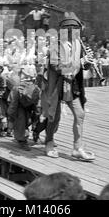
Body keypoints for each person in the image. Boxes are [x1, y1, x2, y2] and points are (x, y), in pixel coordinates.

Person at [41, 12, 95, 161]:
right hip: (57, 86)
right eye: (69, 28)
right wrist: (80, 62)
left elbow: (82, 67)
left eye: (75, 28)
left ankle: (78, 148)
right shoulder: (55, 45)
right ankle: (49, 143)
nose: (73, 31)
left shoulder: (78, 43)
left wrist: (88, 61)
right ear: (63, 30)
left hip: (72, 86)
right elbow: (57, 66)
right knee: (54, 117)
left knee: (80, 114)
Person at [7, 64, 41, 151]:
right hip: (20, 106)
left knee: (26, 121)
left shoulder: (34, 89)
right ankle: (22, 140)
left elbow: (37, 105)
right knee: (21, 120)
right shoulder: (20, 88)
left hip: (27, 107)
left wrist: (36, 119)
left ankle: (23, 136)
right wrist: (11, 117)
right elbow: (13, 104)